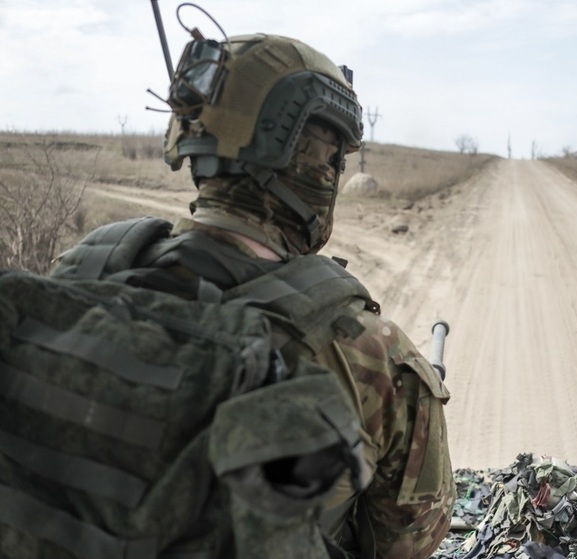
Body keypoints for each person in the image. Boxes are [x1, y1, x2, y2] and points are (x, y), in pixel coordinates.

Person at [49, 32, 455, 558]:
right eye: (333, 160)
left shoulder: (78, 275)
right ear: (316, 165)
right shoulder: (369, 355)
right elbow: (406, 543)